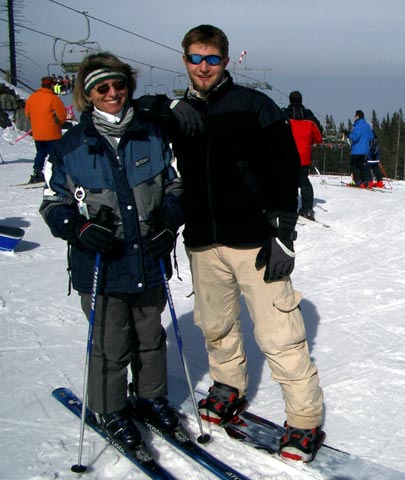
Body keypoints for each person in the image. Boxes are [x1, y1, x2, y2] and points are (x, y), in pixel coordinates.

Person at [138, 24, 325, 463]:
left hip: (254, 241)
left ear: (226, 61)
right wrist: (163, 105)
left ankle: (304, 420)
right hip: (203, 240)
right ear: (184, 60)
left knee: (280, 334)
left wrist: (283, 235)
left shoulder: (255, 107)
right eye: (194, 59)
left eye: (212, 59)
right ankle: (227, 386)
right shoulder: (179, 112)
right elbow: (127, 113)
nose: (203, 67)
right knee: (215, 324)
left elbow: (284, 172)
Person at [39, 53, 186, 452]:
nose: (113, 93)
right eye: (102, 87)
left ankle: (151, 398)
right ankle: (111, 408)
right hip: (103, 264)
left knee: (151, 337)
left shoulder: (153, 136)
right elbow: (54, 202)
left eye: (119, 85)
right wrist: (78, 228)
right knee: (110, 342)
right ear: (88, 94)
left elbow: (175, 188)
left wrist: (170, 223)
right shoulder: (71, 147)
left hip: (148, 258)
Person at [283, 90, 323, 221]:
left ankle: (288, 209)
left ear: (290, 100)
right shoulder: (309, 117)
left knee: (288, 182)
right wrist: (308, 141)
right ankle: (307, 209)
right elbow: (318, 136)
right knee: (304, 182)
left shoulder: (284, 115)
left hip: (288, 155)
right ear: (301, 100)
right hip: (304, 155)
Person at [24, 76, 67, 183]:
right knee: (56, 154)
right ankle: (57, 173)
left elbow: (27, 114)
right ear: (52, 85)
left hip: (38, 133)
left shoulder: (32, 98)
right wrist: (58, 122)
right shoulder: (53, 98)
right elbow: (62, 115)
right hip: (52, 132)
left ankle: (37, 172)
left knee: (40, 153)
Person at [347, 110, 375, 188]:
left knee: (353, 166)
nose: (354, 118)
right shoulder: (367, 125)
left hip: (356, 150)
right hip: (365, 150)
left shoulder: (358, 126)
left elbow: (355, 137)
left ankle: (357, 181)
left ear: (357, 116)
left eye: (355, 116)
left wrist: (348, 134)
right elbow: (371, 137)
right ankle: (365, 181)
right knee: (361, 166)